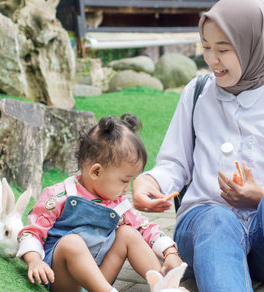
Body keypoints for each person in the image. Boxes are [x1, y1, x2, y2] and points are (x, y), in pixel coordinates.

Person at [132, 0, 264, 292]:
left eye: (223, 49)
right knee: (216, 217)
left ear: (257, 47)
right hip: (204, 233)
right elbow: (174, 162)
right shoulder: (197, 93)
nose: (211, 59)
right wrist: (150, 180)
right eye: (206, 47)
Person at [16, 113, 183, 292]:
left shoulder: (117, 204)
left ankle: (164, 286)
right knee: (71, 243)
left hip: (99, 278)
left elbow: (144, 227)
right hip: (63, 280)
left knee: (128, 233)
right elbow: (32, 232)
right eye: (124, 180)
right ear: (96, 172)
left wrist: (169, 252)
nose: (127, 188)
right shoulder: (59, 196)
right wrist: (34, 260)